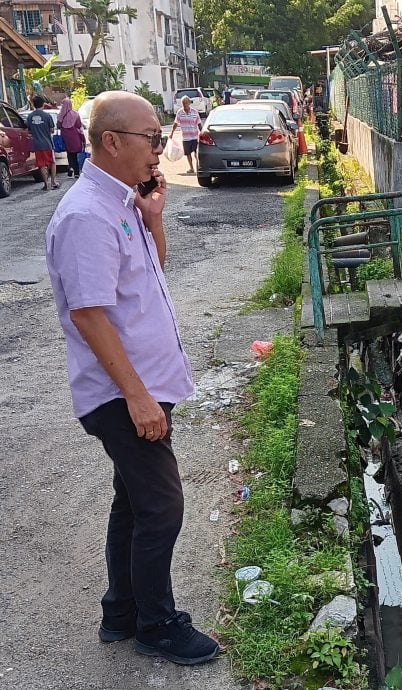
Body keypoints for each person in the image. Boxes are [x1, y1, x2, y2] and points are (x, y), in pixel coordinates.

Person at [44, 91, 219, 666]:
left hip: (142, 388)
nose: (161, 146)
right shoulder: (85, 215)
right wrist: (139, 397)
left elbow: (150, 277)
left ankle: (120, 611)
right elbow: (88, 315)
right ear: (113, 142)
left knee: (133, 502)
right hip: (122, 396)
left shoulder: (122, 203)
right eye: (151, 136)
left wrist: (155, 220)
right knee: (163, 505)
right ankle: (157, 624)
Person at [27, 95, 59, 190]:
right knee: (52, 162)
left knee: (41, 165)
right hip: (47, 144)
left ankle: (46, 183)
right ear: (43, 104)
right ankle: (53, 182)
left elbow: (29, 131)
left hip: (37, 145)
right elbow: (52, 130)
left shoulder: (30, 117)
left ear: (34, 104)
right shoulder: (47, 116)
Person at [169, 95, 202, 174]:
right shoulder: (180, 112)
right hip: (186, 138)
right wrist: (171, 133)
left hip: (195, 136)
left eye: (186, 103)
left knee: (196, 153)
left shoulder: (195, 112)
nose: (184, 105)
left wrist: (202, 133)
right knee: (188, 154)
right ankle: (191, 168)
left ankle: (199, 167)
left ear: (189, 103)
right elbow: (176, 123)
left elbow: (199, 124)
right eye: (183, 103)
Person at [57, 97, 86, 179]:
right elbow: (79, 126)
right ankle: (76, 171)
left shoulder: (60, 116)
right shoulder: (75, 114)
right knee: (75, 155)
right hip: (75, 137)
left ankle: (70, 169)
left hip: (65, 138)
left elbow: (58, 126)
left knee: (69, 154)